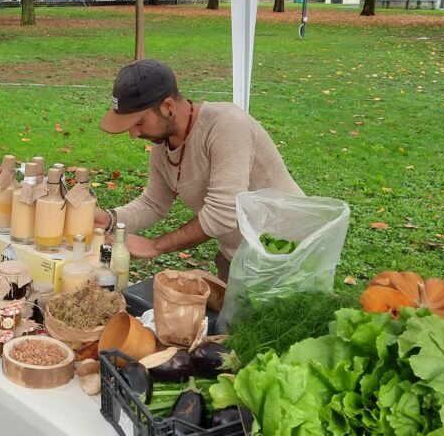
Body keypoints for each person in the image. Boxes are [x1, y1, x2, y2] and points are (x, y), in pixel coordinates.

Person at [94, 59, 304, 282]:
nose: (134, 134)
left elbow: (222, 214)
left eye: (139, 122)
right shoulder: (162, 146)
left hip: (288, 255)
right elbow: (153, 203)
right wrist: (110, 220)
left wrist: (155, 246)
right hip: (238, 256)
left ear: (167, 106)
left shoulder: (227, 125)